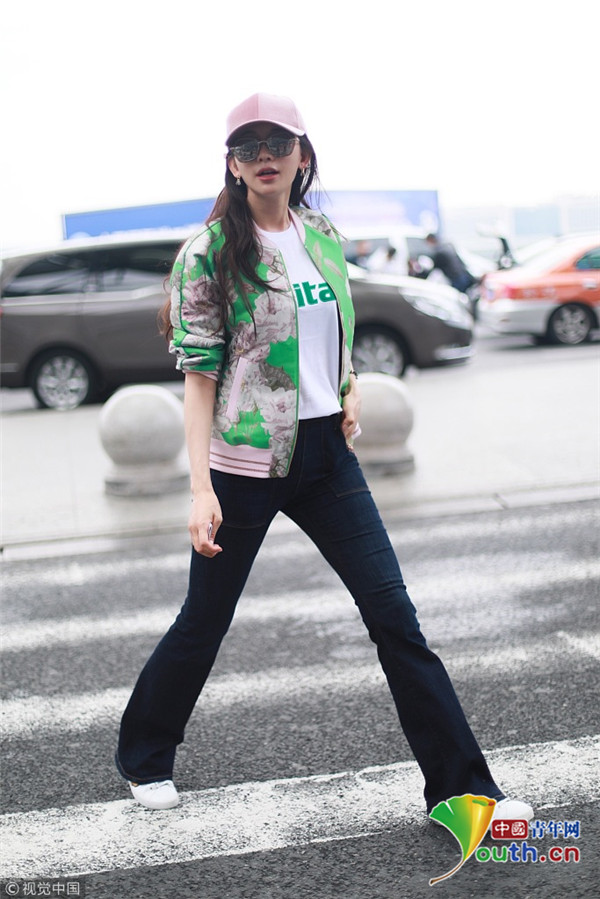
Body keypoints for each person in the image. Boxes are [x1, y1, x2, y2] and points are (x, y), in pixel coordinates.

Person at [115, 93, 534, 824]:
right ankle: (144, 753)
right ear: (233, 165)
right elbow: (199, 378)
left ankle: (464, 794)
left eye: (278, 142)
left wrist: (346, 384)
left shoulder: (323, 236)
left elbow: (331, 328)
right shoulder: (209, 253)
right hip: (245, 464)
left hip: (328, 460)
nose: (264, 156)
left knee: (394, 617)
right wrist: (201, 487)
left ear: (303, 155)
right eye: (248, 147)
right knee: (205, 619)